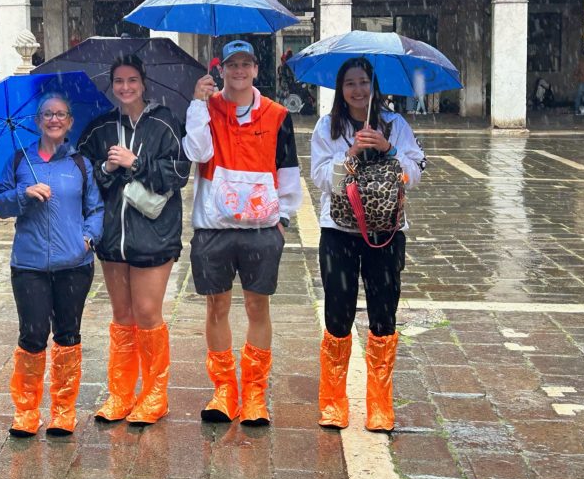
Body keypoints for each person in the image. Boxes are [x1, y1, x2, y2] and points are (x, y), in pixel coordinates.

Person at [183, 40, 302, 426]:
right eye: (231, 64)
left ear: (255, 70)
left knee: (257, 307)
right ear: (221, 70)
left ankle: (253, 391)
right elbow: (197, 153)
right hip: (213, 227)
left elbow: (287, 170)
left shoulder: (277, 115)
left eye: (246, 64)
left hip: (260, 229)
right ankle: (223, 390)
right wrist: (198, 105)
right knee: (216, 306)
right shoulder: (206, 107)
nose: (239, 71)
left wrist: (282, 220)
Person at [309, 57, 425, 432]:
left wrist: (389, 149)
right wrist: (352, 155)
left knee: (383, 314)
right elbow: (321, 179)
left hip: (386, 233)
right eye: (350, 84)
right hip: (338, 231)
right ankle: (333, 401)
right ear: (341, 91)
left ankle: (379, 403)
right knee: (338, 313)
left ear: (374, 87)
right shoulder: (327, 128)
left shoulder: (396, 125)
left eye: (364, 83)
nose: (358, 91)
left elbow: (414, 176)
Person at [77, 55, 191, 426]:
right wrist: (107, 168)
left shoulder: (164, 122)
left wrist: (135, 162)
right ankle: (121, 394)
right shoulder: (99, 128)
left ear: (143, 83)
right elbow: (85, 179)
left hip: (154, 234)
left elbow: (179, 172)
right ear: (112, 86)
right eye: (119, 82)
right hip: (113, 237)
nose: (125, 88)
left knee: (146, 312)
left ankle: (155, 395)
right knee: (122, 315)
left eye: (132, 80)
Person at [0, 93, 104, 438]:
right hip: (29, 264)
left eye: (61, 114)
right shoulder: (18, 161)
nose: (54, 120)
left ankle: (63, 410)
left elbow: (96, 209)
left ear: (70, 122)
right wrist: (22, 197)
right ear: (37, 121)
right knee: (33, 334)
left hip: (74, 264)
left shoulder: (81, 164)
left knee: (68, 334)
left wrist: (87, 238)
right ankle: (26, 411)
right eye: (47, 115)